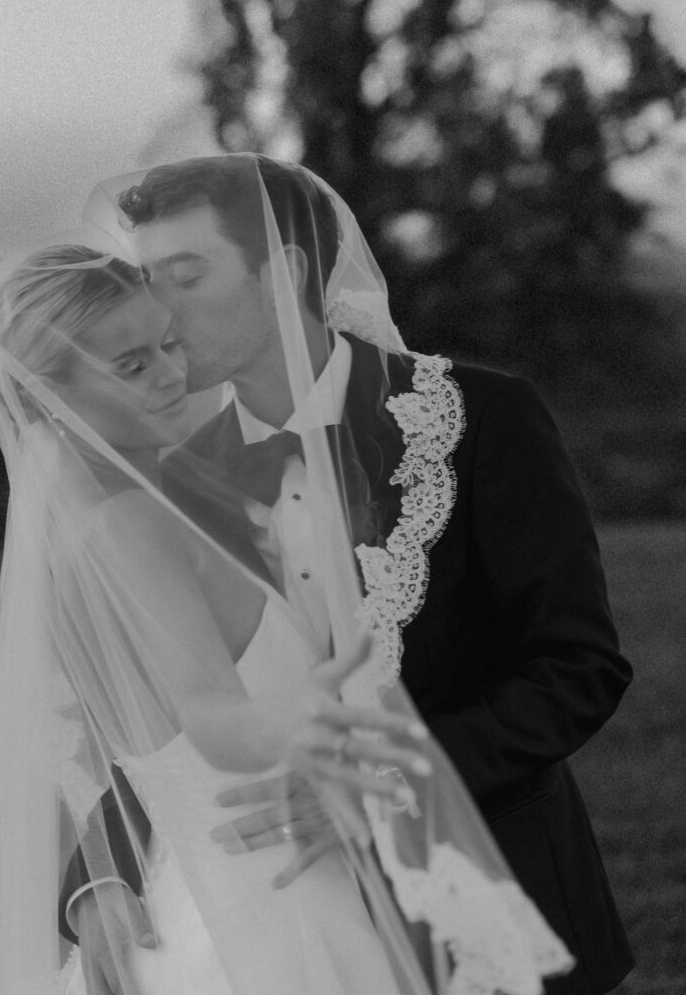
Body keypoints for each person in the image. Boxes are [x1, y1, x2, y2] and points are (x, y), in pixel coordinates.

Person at [0, 233, 571, 995]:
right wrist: (292, 729)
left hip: (234, 886)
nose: (173, 375)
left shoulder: (107, 506)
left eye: (167, 344)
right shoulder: (130, 522)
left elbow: (572, 663)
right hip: (270, 902)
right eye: (131, 365)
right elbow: (198, 708)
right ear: (48, 391)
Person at [75, 153, 635, 995]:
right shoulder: (173, 487)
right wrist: (97, 880)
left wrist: (379, 792)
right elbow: (148, 710)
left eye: (185, 275)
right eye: (147, 277)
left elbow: (576, 669)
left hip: (492, 897)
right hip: (278, 934)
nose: (157, 306)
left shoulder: (478, 418)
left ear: (283, 272)